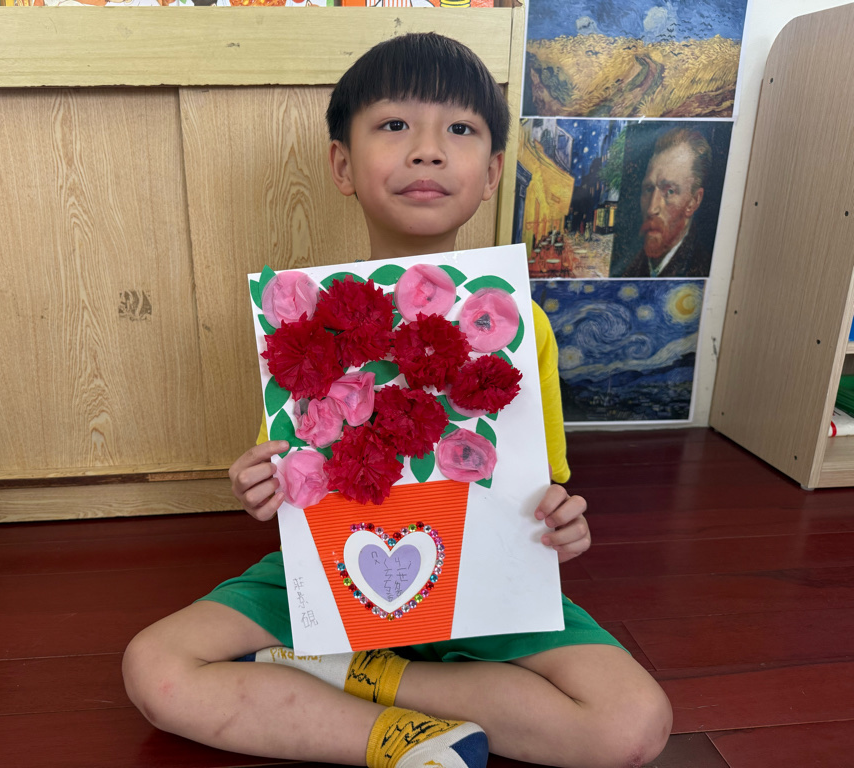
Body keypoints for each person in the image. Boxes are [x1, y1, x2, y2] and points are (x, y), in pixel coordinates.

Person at [122, 33, 672, 768]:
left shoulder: (517, 322)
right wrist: (259, 483)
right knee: (155, 668)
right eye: (393, 125)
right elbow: (292, 473)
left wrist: (563, 518)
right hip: (333, 573)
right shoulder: (301, 317)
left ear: (493, 172)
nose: (428, 151)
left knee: (633, 723)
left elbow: (544, 486)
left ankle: (354, 677)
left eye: (461, 130)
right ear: (342, 165)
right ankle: (392, 738)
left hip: (488, 578)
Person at [614, 128, 713, 278]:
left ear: (694, 201)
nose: (651, 208)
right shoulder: (627, 266)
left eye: (670, 191)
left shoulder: (702, 268)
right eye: (648, 189)